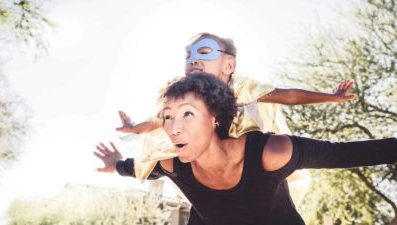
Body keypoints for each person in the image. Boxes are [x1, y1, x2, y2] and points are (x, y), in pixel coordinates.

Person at [95, 73, 397, 225]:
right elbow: (140, 169)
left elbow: (345, 154)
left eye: (187, 113)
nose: (173, 127)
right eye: (168, 116)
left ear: (215, 118)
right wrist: (116, 163)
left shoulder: (268, 152)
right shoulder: (176, 164)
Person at [115, 33, 357, 206]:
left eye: (204, 53)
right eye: (188, 56)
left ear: (228, 65)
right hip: (214, 158)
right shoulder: (186, 93)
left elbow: (287, 96)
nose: (193, 60)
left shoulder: (241, 85)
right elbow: (159, 120)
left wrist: (332, 97)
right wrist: (134, 128)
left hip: (248, 152)